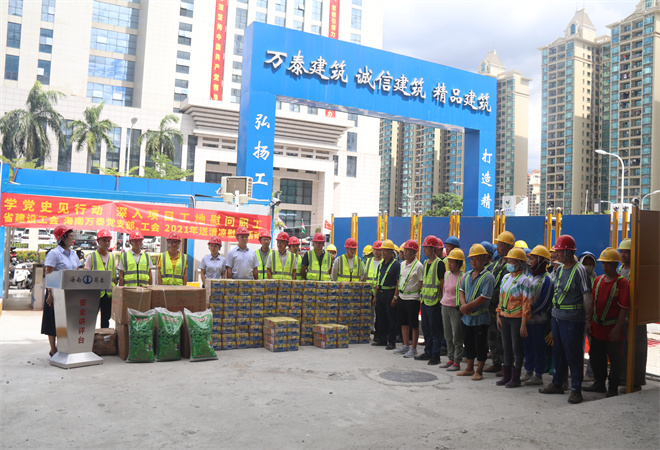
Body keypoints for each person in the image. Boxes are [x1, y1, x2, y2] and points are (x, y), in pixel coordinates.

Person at [539, 234, 592, 404]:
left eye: (560, 251)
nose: (557, 254)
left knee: (573, 354)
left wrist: (589, 319)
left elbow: (587, 296)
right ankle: (557, 383)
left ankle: (576, 389)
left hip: (573, 320)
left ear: (569, 252)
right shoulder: (560, 269)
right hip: (557, 318)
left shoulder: (580, 270)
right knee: (559, 352)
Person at [584, 248, 629, 398]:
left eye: (608, 263)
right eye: (603, 263)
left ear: (616, 264)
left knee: (615, 360)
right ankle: (599, 384)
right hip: (598, 328)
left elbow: (624, 308)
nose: (604, 266)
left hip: (613, 330)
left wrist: (617, 328)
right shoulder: (598, 281)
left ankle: (613, 387)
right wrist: (589, 322)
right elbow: (593, 304)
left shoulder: (622, 283)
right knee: (596, 357)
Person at [495, 247, 534, 388]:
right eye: (508, 261)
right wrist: (498, 314)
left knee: (516, 347)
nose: (509, 263)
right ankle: (506, 376)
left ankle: (515, 378)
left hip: (517, 319)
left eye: (511, 261)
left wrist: (524, 322)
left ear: (519, 263)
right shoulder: (506, 277)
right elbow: (501, 298)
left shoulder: (525, 281)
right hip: (504, 317)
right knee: (506, 347)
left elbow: (526, 303)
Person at [457, 244, 495, 380]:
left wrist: (466, 307)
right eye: (471, 259)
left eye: (476, 259)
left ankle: (479, 370)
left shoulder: (488, 277)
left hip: (480, 317)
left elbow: (485, 297)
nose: (473, 262)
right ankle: (469, 368)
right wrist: (464, 305)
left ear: (484, 259)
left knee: (480, 345)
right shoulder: (468, 275)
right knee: (468, 343)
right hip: (467, 317)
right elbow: (461, 291)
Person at [43, 225, 82, 356]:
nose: (73, 239)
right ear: (63, 238)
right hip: (55, 292)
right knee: (52, 321)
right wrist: (50, 293)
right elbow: (49, 273)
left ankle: (64, 347)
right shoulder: (54, 254)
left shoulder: (73, 254)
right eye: (71, 236)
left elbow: (77, 271)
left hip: (69, 293)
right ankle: (53, 349)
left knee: (66, 322)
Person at [521, 245, 554, 386]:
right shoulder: (529, 277)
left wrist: (528, 311)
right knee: (528, 346)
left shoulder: (547, 280)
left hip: (539, 321)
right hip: (527, 320)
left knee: (538, 347)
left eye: (534, 258)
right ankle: (528, 371)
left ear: (541, 260)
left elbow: (545, 303)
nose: (531, 261)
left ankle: (538, 375)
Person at [617, 237, 646, 394]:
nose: (623, 255)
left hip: (634, 316)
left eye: (627, 252)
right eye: (621, 251)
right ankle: (623, 378)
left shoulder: (637, 270)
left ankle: (635, 382)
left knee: (636, 349)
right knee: (623, 349)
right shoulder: (621, 269)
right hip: (623, 316)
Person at [485, 231, 515, 375]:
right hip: (491, 307)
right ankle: (496, 362)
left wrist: (491, 299)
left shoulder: (511, 266)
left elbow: (504, 289)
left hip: (502, 306)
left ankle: (505, 364)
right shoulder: (496, 264)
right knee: (492, 336)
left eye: (500, 245)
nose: (497, 248)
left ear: (509, 247)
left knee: (502, 338)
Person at [392, 240, 424, 358]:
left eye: (407, 250)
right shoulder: (402, 264)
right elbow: (399, 281)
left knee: (413, 325)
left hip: (413, 298)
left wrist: (418, 296)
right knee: (403, 323)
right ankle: (405, 345)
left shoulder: (418, 266)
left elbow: (421, 283)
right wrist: (396, 296)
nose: (404, 252)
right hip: (402, 297)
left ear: (414, 252)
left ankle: (413, 348)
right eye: (404, 250)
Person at [83, 229, 116, 329]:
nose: (106, 243)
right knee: (90, 319)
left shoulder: (113, 257)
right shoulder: (91, 257)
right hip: (95, 294)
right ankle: (90, 337)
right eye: (104, 240)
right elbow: (86, 277)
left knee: (106, 320)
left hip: (108, 295)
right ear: (98, 241)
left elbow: (114, 277)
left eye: (108, 241)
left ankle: (104, 337)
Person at [440, 247, 465, 371]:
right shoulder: (446, 274)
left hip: (455, 309)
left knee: (456, 336)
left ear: (459, 263)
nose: (449, 264)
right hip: (445, 307)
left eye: (452, 262)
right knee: (448, 335)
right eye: (449, 261)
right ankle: (450, 358)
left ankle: (457, 361)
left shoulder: (463, 277)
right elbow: (444, 290)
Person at [372, 239, 400, 350]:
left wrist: (395, 297)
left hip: (390, 293)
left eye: (385, 250)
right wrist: (375, 296)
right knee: (381, 317)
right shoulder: (381, 265)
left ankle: (391, 342)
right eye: (382, 250)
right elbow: (378, 281)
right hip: (381, 293)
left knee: (391, 319)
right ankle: (382, 339)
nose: (382, 252)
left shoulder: (396, 265)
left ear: (391, 252)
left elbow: (398, 281)